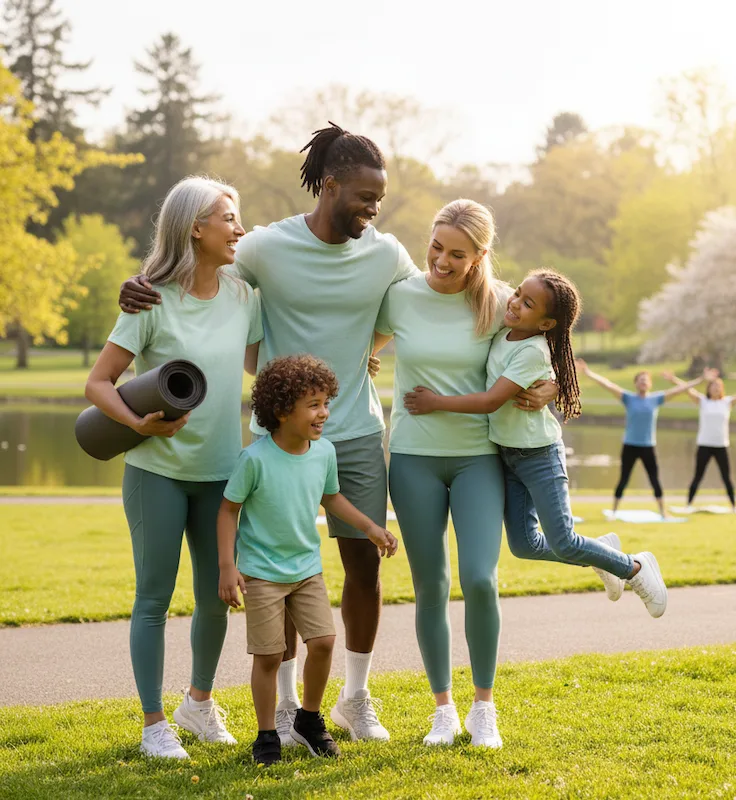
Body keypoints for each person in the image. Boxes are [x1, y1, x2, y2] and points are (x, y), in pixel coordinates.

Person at [118, 124, 553, 742]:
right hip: (278, 440)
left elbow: (448, 295)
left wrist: (547, 375)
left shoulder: (386, 252)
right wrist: (138, 283)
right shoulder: (266, 246)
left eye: (380, 199)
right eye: (364, 197)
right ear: (328, 186)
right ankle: (293, 709)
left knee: (362, 569)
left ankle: (355, 697)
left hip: (355, 433)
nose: (374, 210)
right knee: (278, 567)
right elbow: (194, 261)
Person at [86, 177, 263, 759]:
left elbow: (264, 359)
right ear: (195, 227)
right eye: (229, 218)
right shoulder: (151, 298)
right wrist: (137, 425)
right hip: (156, 473)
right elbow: (98, 383)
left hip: (222, 473)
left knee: (218, 595)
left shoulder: (243, 295)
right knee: (153, 599)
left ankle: (198, 703)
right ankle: (153, 724)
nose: (239, 229)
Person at [374, 200, 558, 750]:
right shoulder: (401, 294)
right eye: (436, 247)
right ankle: (443, 710)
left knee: (480, 578)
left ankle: (484, 708)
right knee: (431, 584)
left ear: (480, 256)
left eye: (458, 254)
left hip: (479, 457)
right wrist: (365, 357)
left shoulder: (503, 304)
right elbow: (361, 338)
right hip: (412, 457)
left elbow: (552, 345)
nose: (442, 261)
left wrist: (552, 387)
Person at [405, 269, 668, 618]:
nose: (514, 303)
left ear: (546, 324)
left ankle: (633, 567)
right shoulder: (506, 329)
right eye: (517, 294)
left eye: (527, 304)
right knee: (524, 545)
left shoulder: (531, 350)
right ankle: (601, 552)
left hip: (539, 455)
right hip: (507, 454)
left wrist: (436, 402)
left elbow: (489, 401)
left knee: (563, 540)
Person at [217, 355, 397, 766]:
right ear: (282, 412)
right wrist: (228, 567)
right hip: (261, 574)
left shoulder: (324, 452)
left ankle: (309, 720)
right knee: (267, 655)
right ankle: (266, 735)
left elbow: (331, 497)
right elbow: (228, 511)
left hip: (306, 570)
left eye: (325, 402)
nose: (324, 413)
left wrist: (370, 527)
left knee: (324, 642)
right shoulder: (255, 459)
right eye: (313, 405)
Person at [576, 361, 712, 518]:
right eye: (640, 380)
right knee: (624, 479)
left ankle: (662, 512)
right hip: (630, 445)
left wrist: (700, 380)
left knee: (654, 479)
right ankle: (613, 512)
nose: (643, 383)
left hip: (648, 446)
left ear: (650, 384)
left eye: (645, 380)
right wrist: (589, 373)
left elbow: (680, 390)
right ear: (636, 384)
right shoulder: (628, 398)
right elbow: (608, 385)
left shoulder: (656, 399)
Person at [664, 372, 736, 512]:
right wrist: (673, 379)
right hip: (704, 444)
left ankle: (734, 507)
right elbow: (686, 389)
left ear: (722, 389)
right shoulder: (703, 401)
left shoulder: (727, 402)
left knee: (726, 477)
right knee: (698, 476)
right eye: (713, 386)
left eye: (718, 386)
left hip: (721, 445)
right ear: (708, 388)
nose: (716, 389)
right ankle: (688, 506)